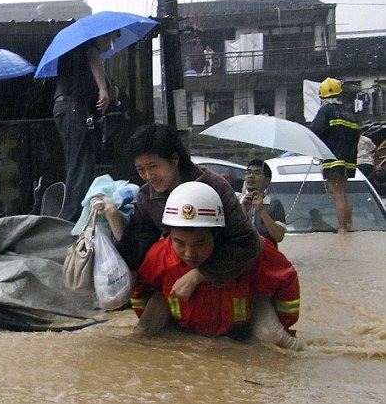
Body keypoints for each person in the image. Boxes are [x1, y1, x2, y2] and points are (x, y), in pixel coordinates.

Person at [91, 124, 261, 302]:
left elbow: (248, 243)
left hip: (230, 280)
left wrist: (199, 275)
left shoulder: (215, 187)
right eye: (141, 169)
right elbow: (136, 252)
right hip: (178, 284)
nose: (149, 176)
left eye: (153, 166)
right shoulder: (147, 196)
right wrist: (112, 217)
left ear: (174, 159)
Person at [131, 181, 303, 350]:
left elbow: (286, 280)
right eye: (179, 243)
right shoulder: (158, 257)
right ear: (169, 235)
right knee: (142, 336)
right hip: (184, 327)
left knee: (275, 339)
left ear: (217, 234)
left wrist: (285, 324)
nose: (189, 253)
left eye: (199, 243)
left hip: (243, 327)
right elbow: (140, 291)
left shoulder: (252, 251)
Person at [53, 30, 120, 222]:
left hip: (70, 107)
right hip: (71, 106)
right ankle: (71, 216)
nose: (110, 45)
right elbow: (93, 57)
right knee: (80, 164)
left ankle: (74, 213)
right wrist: (103, 89)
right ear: (104, 36)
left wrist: (108, 86)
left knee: (81, 162)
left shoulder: (79, 54)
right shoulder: (87, 43)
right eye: (111, 40)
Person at [310, 77, 360, 233]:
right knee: (343, 193)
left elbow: (316, 131)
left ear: (323, 96)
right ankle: (349, 226)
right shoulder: (349, 113)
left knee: (336, 193)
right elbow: (356, 136)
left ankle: (342, 230)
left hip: (332, 158)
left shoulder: (326, 110)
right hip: (348, 159)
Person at [239, 159, 286, 247]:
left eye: (257, 173)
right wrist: (242, 209)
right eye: (248, 172)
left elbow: (279, 236)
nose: (251, 176)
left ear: (267, 180)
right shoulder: (236, 200)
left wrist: (261, 211)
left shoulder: (274, 204)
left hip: (265, 256)